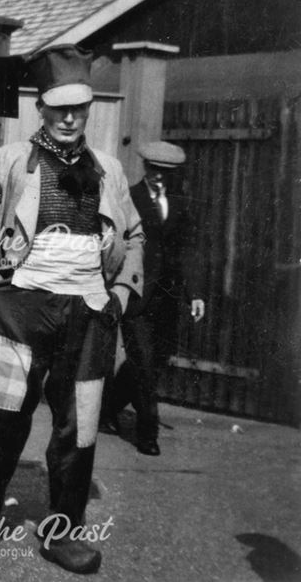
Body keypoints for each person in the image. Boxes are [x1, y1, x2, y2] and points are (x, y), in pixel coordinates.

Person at [0, 45, 144, 575]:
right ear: (42, 108)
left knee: (78, 430)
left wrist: (121, 293)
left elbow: (136, 236)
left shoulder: (110, 170)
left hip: (89, 313)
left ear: (90, 106)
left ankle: (63, 534)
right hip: (19, 311)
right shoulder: (8, 161)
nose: (70, 117)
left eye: (79, 105)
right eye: (59, 106)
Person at [101, 141, 204, 456]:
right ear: (146, 168)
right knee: (143, 365)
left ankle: (106, 408)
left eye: (166, 172)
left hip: (168, 298)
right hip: (136, 295)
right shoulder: (128, 198)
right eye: (155, 170)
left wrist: (195, 294)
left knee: (154, 361)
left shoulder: (180, 202)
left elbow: (188, 250)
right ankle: (147, 434)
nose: (160, 177)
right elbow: (115, 245)